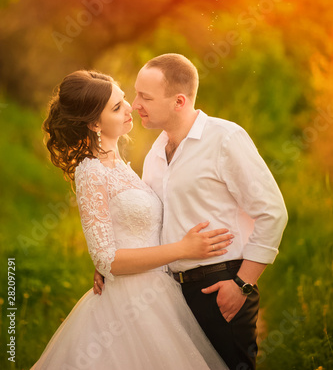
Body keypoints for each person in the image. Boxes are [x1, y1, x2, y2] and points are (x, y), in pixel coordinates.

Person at [93, 54, 288, 370]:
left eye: (146, 97)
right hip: (170, 294)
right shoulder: (156, 150)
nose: (134, 104)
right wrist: (112, 259)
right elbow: (149, 221)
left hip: (221, 286)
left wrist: (241, 284)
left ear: (179, 101)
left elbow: (272, 213)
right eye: (136, 93)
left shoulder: (225, 138)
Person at [32, 70, 231, 370]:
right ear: (94, 124)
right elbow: (106, 260)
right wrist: (184, 249)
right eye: (116, 107)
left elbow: (124, 232)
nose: (130, 108)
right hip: (129, 306)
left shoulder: (121, 165)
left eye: (124, 99)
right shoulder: (91, 171)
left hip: (157, 291)